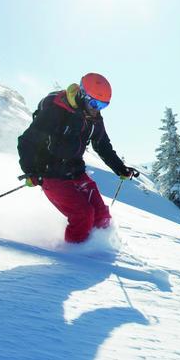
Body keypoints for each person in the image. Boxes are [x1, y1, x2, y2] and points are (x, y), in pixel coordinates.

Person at [18, 72, 140, 243]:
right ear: (82, 94)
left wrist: (120, 168)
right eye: (93, 103)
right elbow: (27, 141)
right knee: (83, 215)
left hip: (75, 171)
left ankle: (100, 251)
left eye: (102, 105)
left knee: (102, 215)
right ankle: (75, 259)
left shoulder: (94, 119)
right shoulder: (57, 111)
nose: (96, 109)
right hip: (50, 174)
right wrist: (31, 171)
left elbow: (102, 145)